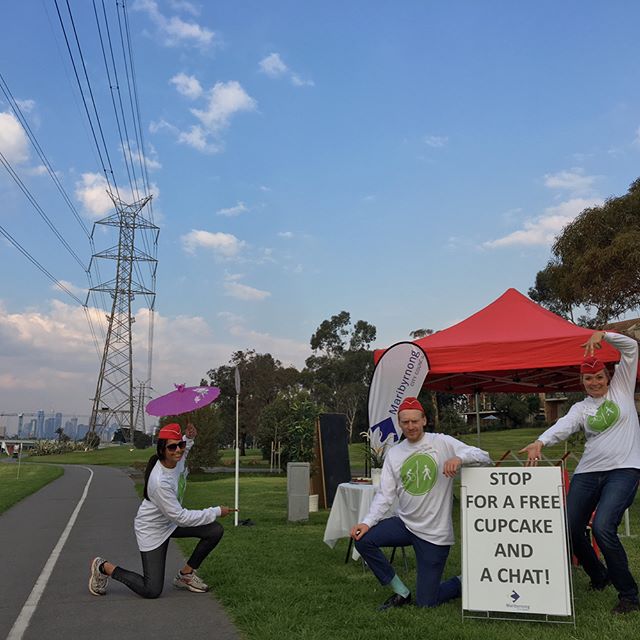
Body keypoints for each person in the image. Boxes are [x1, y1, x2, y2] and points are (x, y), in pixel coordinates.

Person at [520, 330, 640, 615]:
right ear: (582, 382)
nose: (595, 382)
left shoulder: (622, 386)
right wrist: (540, 441)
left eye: (599, 377)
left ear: (607, 376)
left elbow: (632, 346)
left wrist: (604, 335)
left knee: (602, 528)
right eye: (589, 379)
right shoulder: (580, 408)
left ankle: (629, 596)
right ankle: (599, 576)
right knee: (570, 527)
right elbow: (562, 426)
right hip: (588, 472)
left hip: (623, 470)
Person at [351, 397, 492, 610]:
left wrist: (459, 459)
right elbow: (385, 495)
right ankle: (401, 591)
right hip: (405, 524)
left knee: (427, 602)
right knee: (363, 540)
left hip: (435, 533)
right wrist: (367, 522)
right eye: (405, 422)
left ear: (424, 420)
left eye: (415, 421)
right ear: (399, 424)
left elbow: (483, 456)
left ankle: (463, 581)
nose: (410, 426)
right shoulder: (395, 453)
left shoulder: (442, 442)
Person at [89, 422, 235, 599]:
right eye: (172, 447)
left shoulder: (177, 460)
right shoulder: (159, 482)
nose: (178, 450)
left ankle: (185, 575)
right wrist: (216, 511)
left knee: (214, 530)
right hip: (153, 529)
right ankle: (103, 567)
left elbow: (184, 450)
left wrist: (188, 438)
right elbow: (181, 518)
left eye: (179, 445)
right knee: (151, 590)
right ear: (161, 450)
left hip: (170, 521)